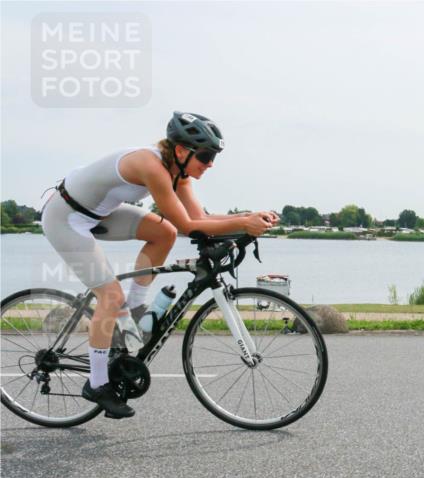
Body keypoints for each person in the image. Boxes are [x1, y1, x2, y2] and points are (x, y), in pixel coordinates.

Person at [40, 112, 276, 419]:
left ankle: (134, 313)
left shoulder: (179, 172)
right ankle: (97, 384)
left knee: (164, 232)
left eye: (213, 157)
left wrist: (248, 218)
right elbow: (188, 225)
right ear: (181, 150)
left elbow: (200, 218)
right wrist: (244, 223)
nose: (210, 164)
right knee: (110, 295)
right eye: (205, 156)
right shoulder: (151, 166)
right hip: (66, 217)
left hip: (99, 213)